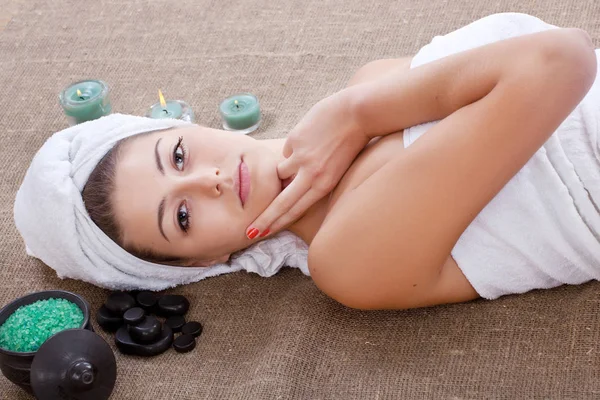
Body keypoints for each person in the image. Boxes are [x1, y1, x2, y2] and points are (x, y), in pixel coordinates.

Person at [14, 13, 600, 310]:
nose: (210, 180)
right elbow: (560, 61)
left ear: (187, 125)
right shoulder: (350, 262)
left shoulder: (374, 81)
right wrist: (357, 116)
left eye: (179, 155)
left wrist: (355, 108)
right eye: (183, 217)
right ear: (204, 263)